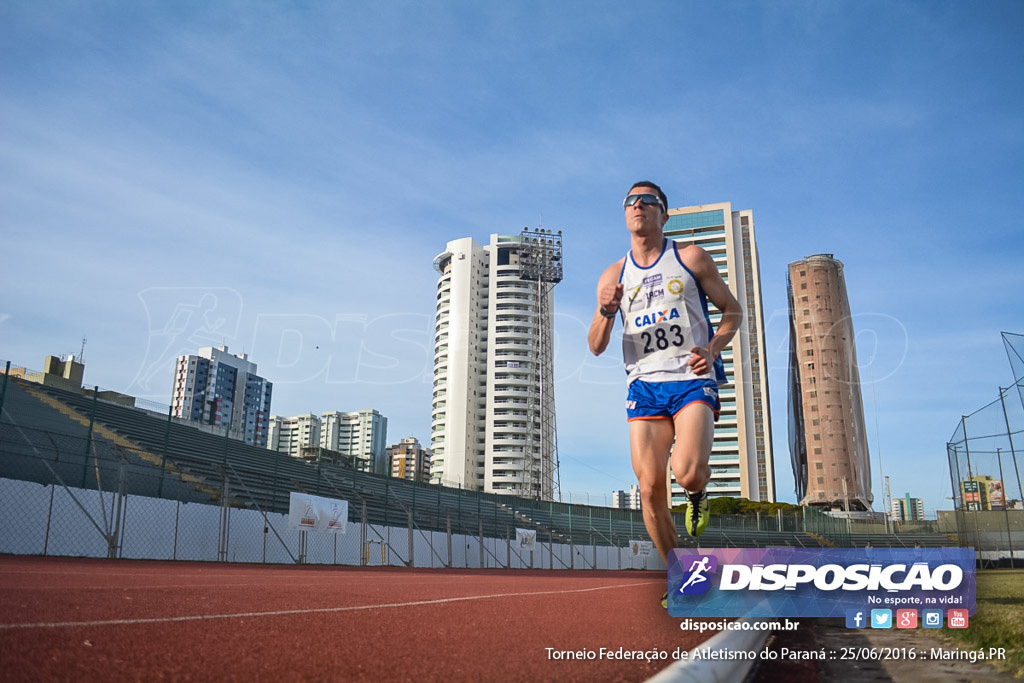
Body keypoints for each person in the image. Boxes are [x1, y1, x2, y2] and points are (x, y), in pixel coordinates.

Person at [588, 181, 743, 572]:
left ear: (664, 214)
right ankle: (680, 574)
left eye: (648, 201)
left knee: (687, 473)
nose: (638, 205)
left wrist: (712, 349)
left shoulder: (691, 259)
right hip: (644, 386)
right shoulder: (613, 275)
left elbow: (733, 311)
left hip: (690, 379)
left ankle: (697, 492)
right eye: (630, 201)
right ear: (625, 214)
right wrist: (607, 312)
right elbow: (595, 345)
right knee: (650, 487)